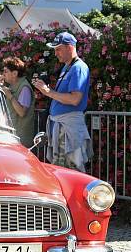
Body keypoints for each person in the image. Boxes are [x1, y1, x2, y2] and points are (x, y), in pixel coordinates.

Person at [32, 31, 91, 172]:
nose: (55, 53)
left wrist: (47, 92)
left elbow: (75, 99)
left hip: (68, 128)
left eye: (58, 49)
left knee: (69, 172)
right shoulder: (67, 67)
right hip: (61, 127)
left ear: (70, 47)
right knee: (59, 170)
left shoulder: (79, 67)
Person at [0, 56, 36, 147]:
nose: (3, 74)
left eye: (6, 71)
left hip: (21, 140)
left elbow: (22, 112)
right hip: (12, 137)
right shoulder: (12, 87)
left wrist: (10, 96)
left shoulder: (24, 88)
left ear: (14, 73)